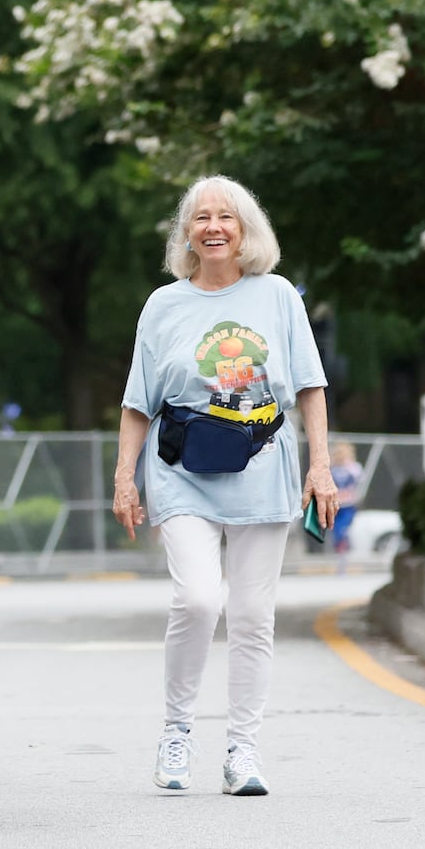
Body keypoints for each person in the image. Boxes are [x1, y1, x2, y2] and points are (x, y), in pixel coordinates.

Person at [111, 175, 337, 797]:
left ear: (245, 231)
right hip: (181, 467)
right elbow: (138, 401)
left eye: (226, 218)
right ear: (187, 232)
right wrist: (124, 477)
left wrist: (320, 466)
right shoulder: (164, 305)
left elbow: (311, 386)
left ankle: (243, 749)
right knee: (198, 600)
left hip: (262, 467)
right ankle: (178, 731)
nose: (213, 227)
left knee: (252, 615)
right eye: (200, 218)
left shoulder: (279, 296)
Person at [330, 441, 364, 572]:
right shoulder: (333, 468)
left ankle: (344, 550)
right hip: (336, 504)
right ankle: (340, 552)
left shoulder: (354, 468)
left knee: (344, 529)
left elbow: (358, 480)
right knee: (336, 530)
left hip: (348, 504)